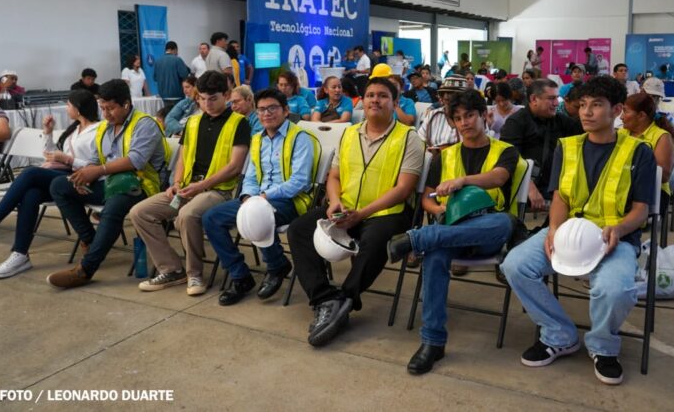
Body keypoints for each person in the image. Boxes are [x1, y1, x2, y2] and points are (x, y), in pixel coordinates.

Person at [501, 75, 656, 386]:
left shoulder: (639, 152)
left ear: (616, 110)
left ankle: (602, 346)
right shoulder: (568, 147)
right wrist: (553, 229)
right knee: (515, 265)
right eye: (583, 105)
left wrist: (619, 228)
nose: (586, 112)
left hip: (615, 238)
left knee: (615, 289)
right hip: (569, 233)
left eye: (596, 105)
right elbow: (560, 197)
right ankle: (558, 333)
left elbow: (642, 209)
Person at [387, 89, 521, 374]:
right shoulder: (444, 157)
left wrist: (462, 181)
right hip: (451, 229)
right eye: (457, 118)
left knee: (503, 222)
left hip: (489, 230)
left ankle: (417, 238)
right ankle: (433, 342)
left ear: (484, 115)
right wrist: (439, 210)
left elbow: (498, 178)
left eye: (469, 115)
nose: (464, 123)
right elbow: (427, 198)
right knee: (436, 254)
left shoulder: (505, 151)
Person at [287, 77, 423, 346]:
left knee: (374, 240)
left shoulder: (409, 138)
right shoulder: (349, 134)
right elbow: (334, 176)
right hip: (345, 207)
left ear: (395, 102)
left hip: (387, 213)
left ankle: (347, 297)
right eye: (370, 95)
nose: (375, 100)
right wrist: (334, 202)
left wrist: (362, 214)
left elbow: (403, 189)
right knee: (299, 229)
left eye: (382, 95)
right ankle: (324, 298)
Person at [130, 71, 249, 296]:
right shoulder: (192, 122)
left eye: (212, 99)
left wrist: (201, 186)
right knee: (140, 212)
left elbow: (235, 166)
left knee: (187, 214)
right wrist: (176, 182)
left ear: (226, 95)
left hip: (219, 191)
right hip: (187, 188)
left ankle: (194, 273)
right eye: (202, 99)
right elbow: (183, 158)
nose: (207, 104)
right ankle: (172, 269)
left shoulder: (239, 123)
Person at [46, 79, 169, 289]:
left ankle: (85, 270)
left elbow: (135, 160)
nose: (105, 114)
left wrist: (97, 171)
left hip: (141, 185)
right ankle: (90, 240)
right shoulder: (104, 127)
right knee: (59, 185)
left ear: (126, 104)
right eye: (102, 108)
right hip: (111, 183)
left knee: (114, 205)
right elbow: (96, 159)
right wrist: (86, 175)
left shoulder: (145, 124)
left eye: (110, 108)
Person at [204, 88, 318, 305]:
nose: (266, 113)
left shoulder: (300, 138)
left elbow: (299, 181)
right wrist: (247, 196)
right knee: (211, 218)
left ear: (286, 110)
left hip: (290, 201)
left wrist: (264, 197)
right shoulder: (257, 139)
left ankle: (275, 266)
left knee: (257, 214)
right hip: (257, 199)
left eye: (272, 108)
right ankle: (240, 276)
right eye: (262, 109)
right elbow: (250, 176)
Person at [0, 90, 100, 274]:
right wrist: (48, 133)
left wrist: (68, 160)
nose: (66, 108)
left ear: (78, 107)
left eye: (68, 104)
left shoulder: (98, 130)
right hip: (63, 175)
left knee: (30, 173)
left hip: (83, 178)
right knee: (31, 194)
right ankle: (20, 255)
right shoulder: (74, 130)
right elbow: (50, 154)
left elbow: (97, 165)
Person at [500, 79, 583, 213]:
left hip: (555, 188)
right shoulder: (516, 122)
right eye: (551, 98)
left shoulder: (562, 121)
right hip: (523, 190)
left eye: (557, 98)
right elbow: (510, 159)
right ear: (534, 99)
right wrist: (529, 188)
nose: (556, 103)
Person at [620, 92, 674, 205]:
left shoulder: (662, 137)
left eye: (625, 111)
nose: (621, 117)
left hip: (654, 191)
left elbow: (663, 176)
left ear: (641, 115)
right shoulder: (621, 134)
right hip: (622, 187)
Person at [417, 77, 466, 152]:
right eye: (444, 93)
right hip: (433, 157)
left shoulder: (471, 118)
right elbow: (419, 141)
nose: (446, 96)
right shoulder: (432, 115)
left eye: (452, 93)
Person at [641, 77, 674, 152]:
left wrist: (668, 131)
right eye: (649, 96)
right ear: (642, 93)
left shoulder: (668, 117)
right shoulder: (632, 111)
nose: (653, 100)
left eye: (656, 97)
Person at [153, 41, 190, 109]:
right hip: (177, 94)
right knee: (179, 114)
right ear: (175, 49)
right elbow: (185, 75)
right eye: (177, 51)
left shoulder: (158, 61)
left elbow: (155, 78)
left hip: (163, 95)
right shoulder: (177, 60)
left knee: (167, 114)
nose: (177, 53)